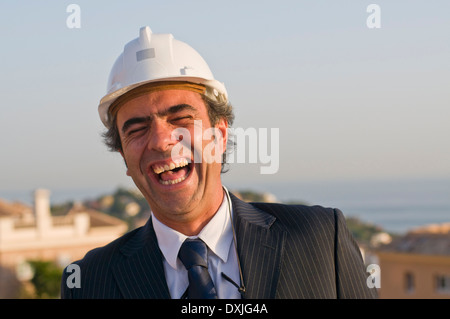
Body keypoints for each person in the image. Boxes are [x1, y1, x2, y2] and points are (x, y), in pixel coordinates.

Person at [61, 26, 377, 299]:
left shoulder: (320, 239)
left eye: (180, 118)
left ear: (220, 136)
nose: (161, 141)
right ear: (124, 158)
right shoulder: (88, 282)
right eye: (137, 129)